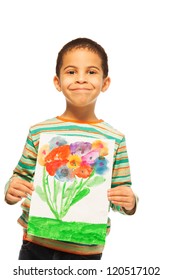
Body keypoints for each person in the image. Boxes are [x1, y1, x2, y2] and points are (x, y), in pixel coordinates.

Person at [4, 37, 138, 260]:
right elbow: (20, 177)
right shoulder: (39, 131)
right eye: (71, 71)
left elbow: (120, 193)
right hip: (35, 243)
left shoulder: (115, 138)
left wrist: (130, 202)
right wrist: (11, 190)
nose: (81, 79)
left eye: (92, 71)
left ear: (105, 83)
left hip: (86, 250)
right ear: (57, 82)